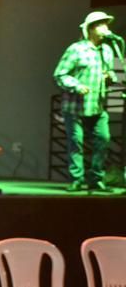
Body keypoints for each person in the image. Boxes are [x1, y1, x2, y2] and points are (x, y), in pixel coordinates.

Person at [54, 11, 120, 192]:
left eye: (106, 24)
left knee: (103, 138)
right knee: (76, 142)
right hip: (75, 105)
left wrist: (111, 77)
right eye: (101, 24)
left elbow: (115, 74)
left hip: (97, 104)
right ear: (90, 29)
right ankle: (77, 179)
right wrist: (76, 85)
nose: (105, 27)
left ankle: (96, 179)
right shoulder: (76, 49)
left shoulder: (108, 50)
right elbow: (60, 74)